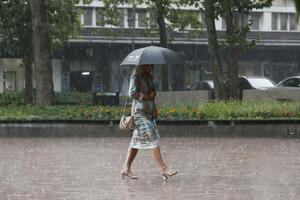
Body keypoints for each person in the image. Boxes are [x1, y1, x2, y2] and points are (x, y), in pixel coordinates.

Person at [121, 64, 177, 180]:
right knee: (152, 138)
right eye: (150, 65)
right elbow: (132, 94)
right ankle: (164, 168)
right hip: (140, 114)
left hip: (149, 113)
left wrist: (154, 107)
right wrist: (146, 96)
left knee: (136, 142)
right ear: (143, 65)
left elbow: (152, 95)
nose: (152, 67)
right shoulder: (136, 76)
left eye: (152, 65)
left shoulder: (149, 76)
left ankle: (126, 168)